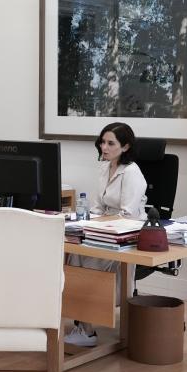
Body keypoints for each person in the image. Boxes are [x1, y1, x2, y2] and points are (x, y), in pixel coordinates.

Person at [64, 122, 148, 347]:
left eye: (111, 143)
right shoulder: (104, 167)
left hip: (127, 231)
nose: (104, 147)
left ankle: (88, 329)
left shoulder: (132, 172)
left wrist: (100, 226)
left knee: (91, 259)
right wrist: (83, 222)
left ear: (126, 146)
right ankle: (82, 321)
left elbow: (127, 214)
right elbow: (98, 207)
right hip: (104, 227)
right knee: (73, 254)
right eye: (102, 142)